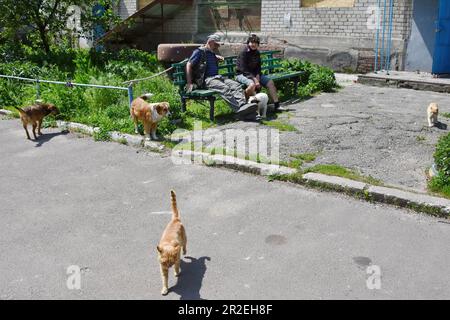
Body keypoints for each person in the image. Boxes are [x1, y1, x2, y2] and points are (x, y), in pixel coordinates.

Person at [185, 34, 259, 121]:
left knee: (236, 85)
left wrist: (216, 57)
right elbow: (189, 64)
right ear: (210, 42)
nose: (218, 46)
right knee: (225, 88)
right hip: (207, 79)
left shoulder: (211, 52)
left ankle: (243, 105)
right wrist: (189, 82)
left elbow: (208, 57)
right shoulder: (199, 52)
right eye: (216, 44)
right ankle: (240, 111)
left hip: (217, 77)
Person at [235, 34, 283, 111]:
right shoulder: (243, 53)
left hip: (254, 75)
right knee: (252, 85)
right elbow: (244, 70)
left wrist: (257, 75)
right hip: (241, 74)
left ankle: (276, 105)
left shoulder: (257, 52)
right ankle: (247, 105)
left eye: (255, 43)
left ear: (258, 44)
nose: (253, 44)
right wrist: (255, 79)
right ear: (248, 43)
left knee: (270, 82)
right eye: (251, 42)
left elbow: (258, 67)